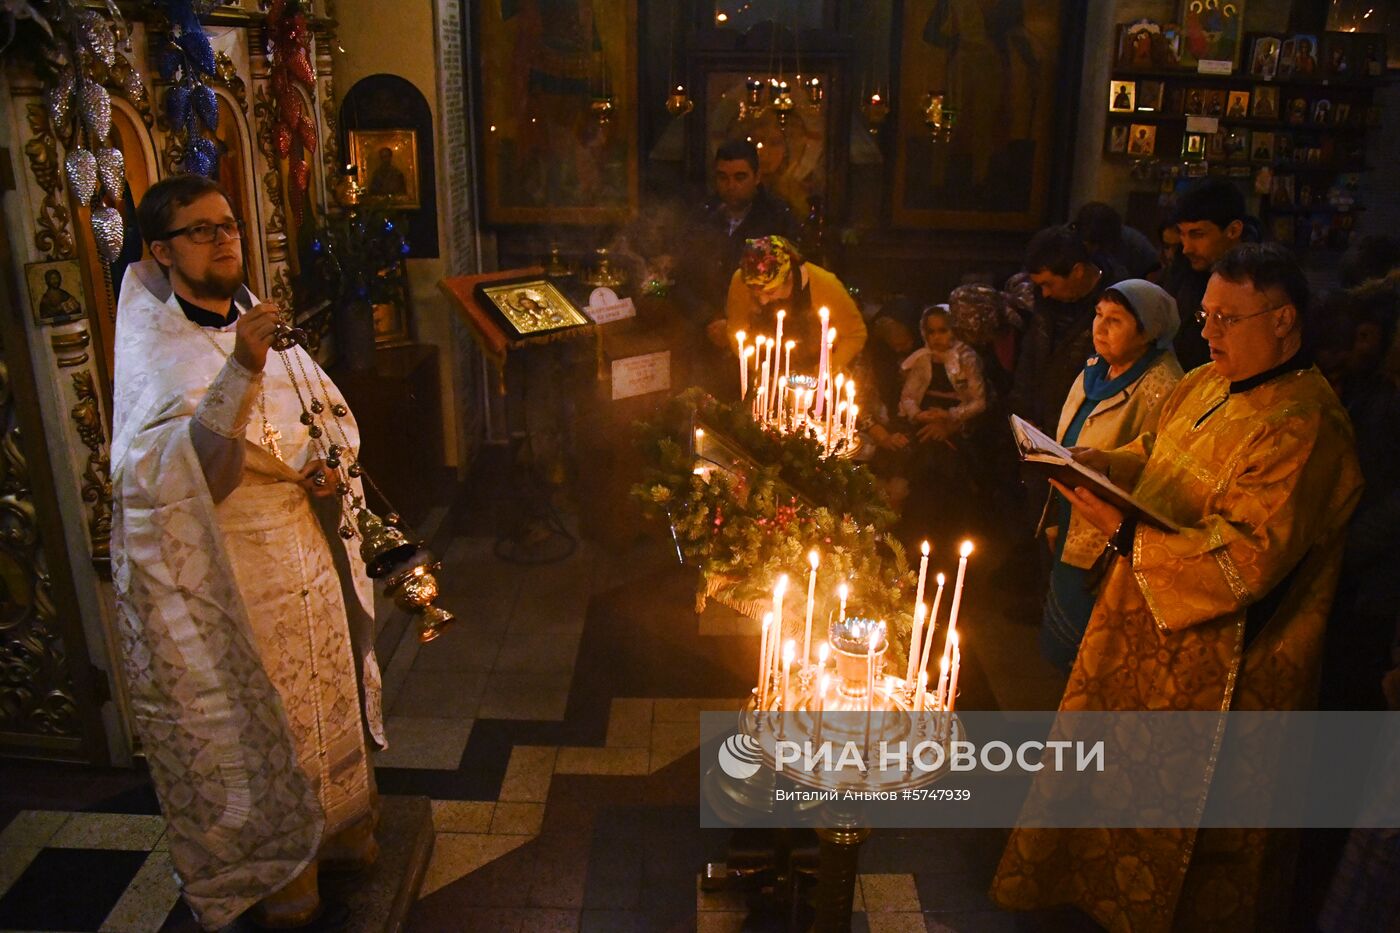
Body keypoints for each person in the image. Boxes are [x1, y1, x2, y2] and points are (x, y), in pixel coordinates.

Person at [992, 243, 1363, 931]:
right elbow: (1159, 455)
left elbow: (1249, 560)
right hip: (1138, 625)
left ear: (1284, 321)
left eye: (1227, 317)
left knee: (1182, 840)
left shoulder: (1306, 425)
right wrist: (1096, 462)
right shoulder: (1205, 385)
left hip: (1219, 667)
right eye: (1205, 313)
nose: (1208, 331)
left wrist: (1128, 537)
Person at [111, 175, 383, 929]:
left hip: (301, 550)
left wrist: (327, 473)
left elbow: (313, 428)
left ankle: (337, 830)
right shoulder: (160, 351)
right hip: (231, 574)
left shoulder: (257, 321)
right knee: (269, 716)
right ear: (161, 252)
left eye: (228, 223)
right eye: (200, 230)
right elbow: (190, 481)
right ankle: (279, 867)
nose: (224, 237)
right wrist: (241, 369)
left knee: (325, 694)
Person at [1038, 280, 1183, 672]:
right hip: (1073, 510)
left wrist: (1107, 461)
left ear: (1148, 330)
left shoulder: (1163, 387)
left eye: (1115, 320)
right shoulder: (1095, 369)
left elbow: (1159, 458)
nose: (1099, 328)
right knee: (1062, 627)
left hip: (1108, 529)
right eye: (1098, 315)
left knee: (1090, 646)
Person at [1008, 224, 1121, 438]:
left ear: (1077, 271)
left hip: (1081, 431)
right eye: (1040, 285)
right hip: (1037, 428)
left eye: (1049, 284)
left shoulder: (1117, 302)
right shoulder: (1044, 298)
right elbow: (1031, 356)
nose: (1045, 293)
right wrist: (1022, 415)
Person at [675, 138, 799, 332]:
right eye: (723, 177)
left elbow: (794, 282)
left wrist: (742, 322)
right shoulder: (702, 216)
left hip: (761, 332)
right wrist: (708, 319)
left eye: (740, 177)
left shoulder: (777, 218)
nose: (731, 185)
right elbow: (683, 278)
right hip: (706, 332)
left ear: (757, 177)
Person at [897, 304, 990, 552]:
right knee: (923, 466)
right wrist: (920, 414)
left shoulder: (966, 359)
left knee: (946, 468)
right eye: (931, 332)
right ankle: (916, 539)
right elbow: (908, 396)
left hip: (959, 429)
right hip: (926, 425)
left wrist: (950, 418)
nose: (937, 337)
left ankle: (946, 537)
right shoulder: (922, 359)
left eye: (943, 330)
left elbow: (979, 401)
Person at [718, 235, 866, 373]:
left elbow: (855, 335)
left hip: (817, 373)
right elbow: (736, 331)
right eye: (756, 294)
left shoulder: (824, 285)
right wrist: (758, 369)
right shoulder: (741, 281)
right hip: (765, 372)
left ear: (788, 277)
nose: (762, 300)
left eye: (770, 292)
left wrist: (824, 372)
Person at [1170, 177, 1257, 370]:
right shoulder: (1183, 268)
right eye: (1182, 234)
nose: (1186, 248)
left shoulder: (1260, 281)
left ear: (1233, 230)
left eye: (1197, 234)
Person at [1074, 201, 1160, 280]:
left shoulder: (1136, 244)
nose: (1093, 249)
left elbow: (1154, 276)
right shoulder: (1071, 237)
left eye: (1095, 244)